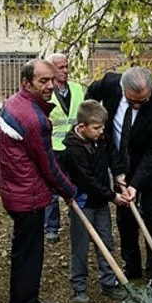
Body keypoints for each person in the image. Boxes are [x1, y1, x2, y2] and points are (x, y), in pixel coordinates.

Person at [0, 59, 77, 303]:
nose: (50, 86)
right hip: (27, 195)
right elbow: (49, 165)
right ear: (26, 83)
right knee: (29, 255)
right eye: (43, 81)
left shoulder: (14, 103)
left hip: (15, 190)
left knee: (27, 251)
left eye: (52, 80)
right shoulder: (34, 119)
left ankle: (29, 299)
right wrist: (69, 191)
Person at [85, 67, 152, 289]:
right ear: (122, 89)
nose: (136, 105)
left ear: (151, 91)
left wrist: (135, 184)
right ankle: (131, 265)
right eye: (132, 100)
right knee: (125, 215)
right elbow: (90, 96)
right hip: (121, 161)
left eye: (142, 101)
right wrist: (92, 119)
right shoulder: (110, 83)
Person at [61, 100, 129, 303]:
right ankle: (79, 286)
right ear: (82, 127)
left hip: (100, 202)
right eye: (97, 128)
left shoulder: (101, 137)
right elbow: (87, 181)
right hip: (82, 203)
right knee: (80, 246)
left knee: (106, 242)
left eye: (103, 127)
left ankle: (108, 282)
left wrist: (118, 174)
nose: (102, 131)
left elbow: (112, 155)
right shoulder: (72, 151)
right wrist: (113, 197)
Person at [43, 53, 86, 242]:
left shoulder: (77, 89)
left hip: (74, 148)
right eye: (61, 67)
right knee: (52, 190)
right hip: (53, 147)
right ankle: (51, 227)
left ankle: (77, 221)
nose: (66, 71)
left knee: (76, 185)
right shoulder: (46, 91)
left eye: (67, 66)